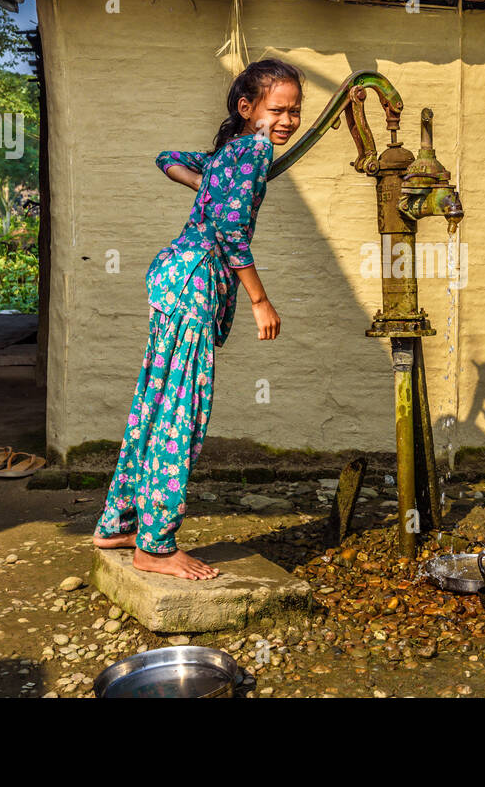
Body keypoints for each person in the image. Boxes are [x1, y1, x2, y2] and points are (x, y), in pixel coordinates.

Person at [92, 59, 302, 580]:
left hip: (171, 276)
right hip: (195, 282)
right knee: (179, 415)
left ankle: (117, 522)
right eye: (278, 109)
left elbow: (166, 158)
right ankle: (155, 546)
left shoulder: (227, 154)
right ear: (246, 108)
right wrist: (259, 300)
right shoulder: (251, 151)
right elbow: (233, 233)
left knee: (154, 404)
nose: (288, 121)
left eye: (296, 111)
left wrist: (204, 187)